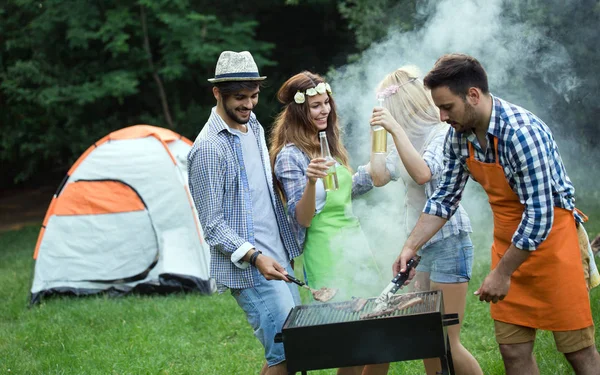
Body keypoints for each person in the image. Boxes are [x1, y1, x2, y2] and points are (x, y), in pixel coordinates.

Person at [394, 53, 600, 375]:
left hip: (553, 245)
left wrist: (502, 273)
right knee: (513, 350)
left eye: (447, 106)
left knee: (578, 351)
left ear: (473, 95)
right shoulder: (458, 136)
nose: (442, 115)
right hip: (508, 241)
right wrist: (410, 246)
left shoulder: (521, 133)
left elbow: (540, 214)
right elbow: (444, 199)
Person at [188, 51, 302, 375]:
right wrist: (256, 257)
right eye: (240, 98)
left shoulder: (251, 124)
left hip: (278, 257)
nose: (249, 105)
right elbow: (212, 226)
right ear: (217, 94)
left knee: (288, 350)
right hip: (250, 269)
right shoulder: (208, 149)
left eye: (253, 96)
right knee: (286, 353)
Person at [269, 71, 389, 375]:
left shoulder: (329, 144)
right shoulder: (290, 156)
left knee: (378, 333)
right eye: (315, 106)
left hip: (354, 243)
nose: (324, 111)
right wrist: (310, 181)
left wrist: (384, 161)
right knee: (350, 342)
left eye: (326, 104)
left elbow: (343, 191)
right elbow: (304, 217)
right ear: (300, 112)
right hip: (325, 250)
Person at [368, 65, 483, 375]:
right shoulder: (402, 139)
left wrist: (395, 130)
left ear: (404, 106)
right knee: (426, 335)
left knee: (447, 339)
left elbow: (423, 173)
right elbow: (379, 177)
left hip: (450, 243)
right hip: (421, 247)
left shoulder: (442, 132)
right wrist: (377, 137)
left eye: (391, 110)